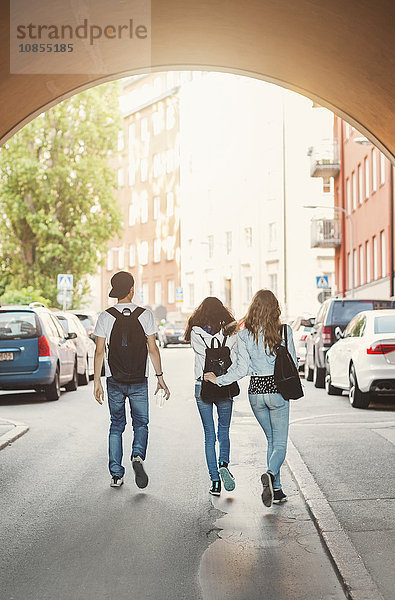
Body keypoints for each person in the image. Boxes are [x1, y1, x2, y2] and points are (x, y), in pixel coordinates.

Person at [204, 289, 297, 507]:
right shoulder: (284, 331)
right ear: (275, 308)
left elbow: (241, 369)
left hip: (256, 392)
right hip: (278, 391)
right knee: (280, 442)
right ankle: (271, 475)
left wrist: (218, 379)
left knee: (272, 441)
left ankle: (278, 490)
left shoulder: (245, 335)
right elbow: (293, 362)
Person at [93, 271, 170, 488]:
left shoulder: (105, 316)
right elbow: (153, 348)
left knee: (116, 425)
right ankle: (137, 455)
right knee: (141, 424)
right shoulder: (145, 315)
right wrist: (160, 377)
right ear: (132, 290)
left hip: (114, 380)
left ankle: (116, 474)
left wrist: (97, 382)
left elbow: (99, 352)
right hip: (138, 379)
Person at [185, 297, 238, 497]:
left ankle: (215, 481)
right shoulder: (231, 332)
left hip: (203, 385)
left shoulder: (196, 331)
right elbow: (235, 356)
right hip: (224, 384)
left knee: (209, 435)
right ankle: (223, 463)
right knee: (224, 430)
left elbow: (201, 353)